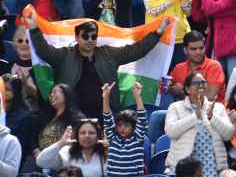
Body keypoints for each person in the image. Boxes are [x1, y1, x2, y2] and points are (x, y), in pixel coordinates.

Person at [25, 9, 169, 117]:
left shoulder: (109, 54)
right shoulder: (65, 55)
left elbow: (137, 50)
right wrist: (34, 29)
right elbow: (44, 51)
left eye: (93, 36)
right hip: (72, 116)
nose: (89, 40)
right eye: (85, 36)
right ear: (76, 37)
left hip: (106, 115)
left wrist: (158, 32)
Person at [164, 71, 235, 177]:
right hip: (184, 173)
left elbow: (229, 135)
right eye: (196, 83)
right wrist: (194, 116)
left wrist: (212, 117)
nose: (201, 85)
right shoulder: (175, 107)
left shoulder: (217, 107)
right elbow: (171, 131)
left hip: (210, 171)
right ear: (187, 89)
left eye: (203, 82)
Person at [102, 80, 147, 177]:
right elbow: (107, 117)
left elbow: (142, 117)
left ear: (133, 127)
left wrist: (137, 96)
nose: (122, 128)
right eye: (119, 125)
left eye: (126, 125)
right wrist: (105, 97)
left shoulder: (138, 138)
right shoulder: (113, 138)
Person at [36, 120, 107, 177]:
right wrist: (61, 143)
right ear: (77, 136)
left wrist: (110, 148)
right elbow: (41, 162)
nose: (87, 136)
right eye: (82, 133)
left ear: (98, 136)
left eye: (91, 133)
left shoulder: (107, 153)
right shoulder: (66, 151)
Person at [168, 31, 226, 103]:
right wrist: (168, 87)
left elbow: (209, 97)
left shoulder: (214, 66)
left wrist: (183, 90)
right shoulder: (178, 68)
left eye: (201, 48)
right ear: (185, 50)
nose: (198, 52)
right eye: (193, 49)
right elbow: (168, 84)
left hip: (212, 111)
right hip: (185, 110)